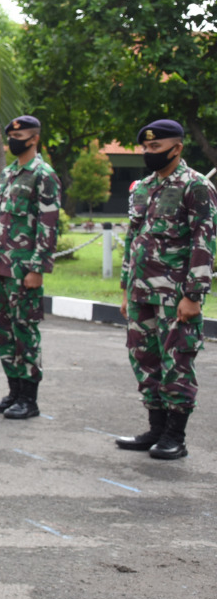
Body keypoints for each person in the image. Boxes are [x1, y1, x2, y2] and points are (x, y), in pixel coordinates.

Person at [115, 119, 216, 459]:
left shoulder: (196, 186)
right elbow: (133, 240)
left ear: (177, 148)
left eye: (155, 147)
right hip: (141, 292)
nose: (148, 152)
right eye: (145, 147)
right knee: (144, 361)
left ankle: (175, 436)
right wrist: (126, 289)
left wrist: (194, 295)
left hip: (175, 296)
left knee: (177, 364)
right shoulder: (142, 187)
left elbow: (205, 242)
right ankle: (155, 428)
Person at [0, 115, 60, 419]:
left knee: (25, 331)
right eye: (12, 135)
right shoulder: (10, 173)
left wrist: (38, 268)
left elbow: (48, 225)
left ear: (34, 138)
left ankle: (29, 398)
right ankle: (13, 391)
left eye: (21, 135)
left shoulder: (44, 175)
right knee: (1, 331)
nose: (14, 140)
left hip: (24, 270)